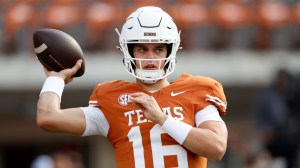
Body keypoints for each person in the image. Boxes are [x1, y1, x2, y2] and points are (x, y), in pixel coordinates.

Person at [36, 6, 228, 168]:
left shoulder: (197, 90)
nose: (151, 58)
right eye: (142, 49)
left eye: (159, 49)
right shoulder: (113, 99)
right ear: (129, 51)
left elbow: (217, 147)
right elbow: (48, 117)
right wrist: (56, 79)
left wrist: (162, 118)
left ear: (170, 50)